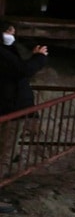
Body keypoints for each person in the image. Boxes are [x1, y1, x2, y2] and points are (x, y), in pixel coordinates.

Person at [0, 24, 48, 171]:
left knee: (7, 145)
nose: (12, 33)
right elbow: (22, 70)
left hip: (10, 103)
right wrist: (39, 58)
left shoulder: (7, 50)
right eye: (8, 30)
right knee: (6, 149)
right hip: (10, 105)